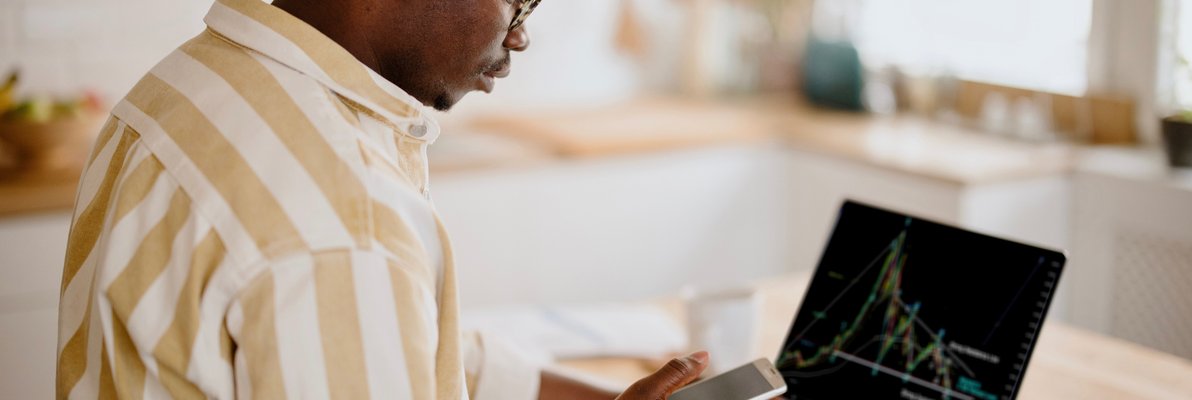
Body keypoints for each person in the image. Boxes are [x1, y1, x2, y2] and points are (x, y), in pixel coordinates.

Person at [55, 0, 711, 398]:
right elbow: (344, 282)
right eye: (519, 3)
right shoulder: (342, 228)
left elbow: (404, 346)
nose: (519, 38)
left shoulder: (189, 84)